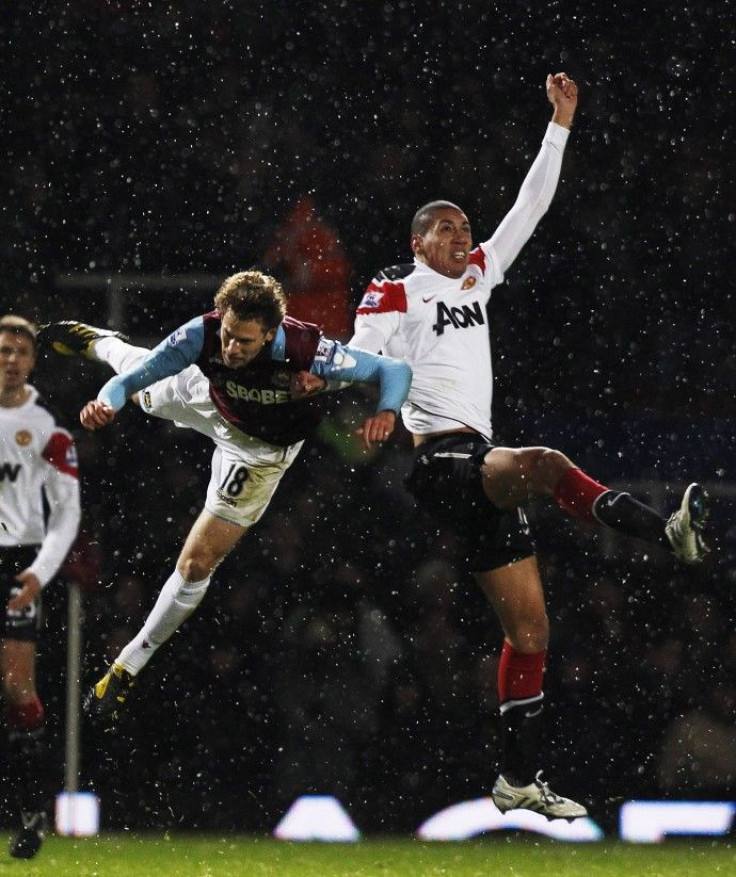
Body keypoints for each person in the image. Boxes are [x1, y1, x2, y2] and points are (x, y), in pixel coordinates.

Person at [349, 72, 710, 820]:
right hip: (440, 460)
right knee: (541, 464)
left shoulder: (478, 276)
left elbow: (531, 207)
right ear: (418, 242)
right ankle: (664, 530)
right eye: (445, 228)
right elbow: (364, 353)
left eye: (463, 226)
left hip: (478, 463)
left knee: (531, 629)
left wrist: (560, 124)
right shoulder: (396, 287)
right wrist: (382, 403)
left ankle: (516, 778)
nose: (461, 235)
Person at [41, 269, 411, 725]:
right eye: (229, 336)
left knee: (197, 564)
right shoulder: (202, 333)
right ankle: (97, 340)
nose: (232, 349)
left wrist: (388, 410)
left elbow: (393, 369)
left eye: (245, 342)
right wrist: (106, 403)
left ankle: (127, 665)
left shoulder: (307, 350)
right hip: (210, 400)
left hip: (256, 454)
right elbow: (130, 380)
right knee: (142, 391)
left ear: (271, 333)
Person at [0, 315, 81, 859]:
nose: (10, 359)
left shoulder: (48, 427)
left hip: (17, 562)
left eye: (19, 352)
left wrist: (39, 572)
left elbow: (66, 513)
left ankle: (32, 813)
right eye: (3, 350)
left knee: (16, 690)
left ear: (32, 360)